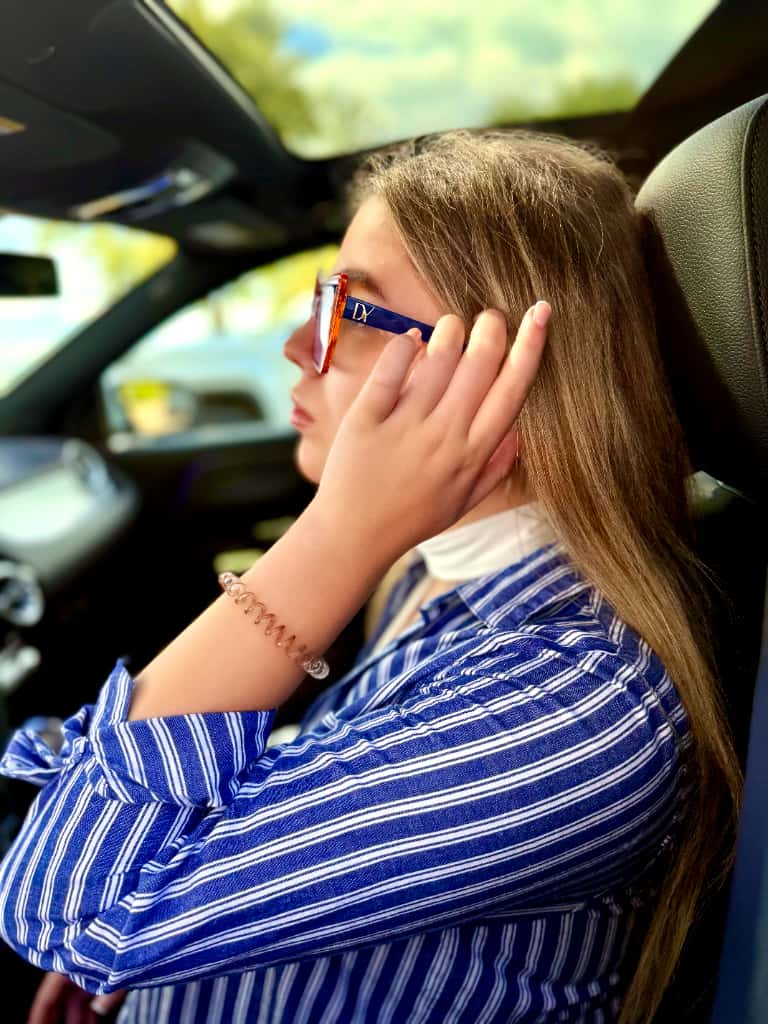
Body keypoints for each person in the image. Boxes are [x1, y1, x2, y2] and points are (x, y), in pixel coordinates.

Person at [1, 128, 741, 1024]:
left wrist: (340, 535)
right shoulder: (437, 574)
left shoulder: (575, 705)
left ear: (506, 376)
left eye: (344, 310)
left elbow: (75, 912)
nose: (294, 344)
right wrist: (173, 957)